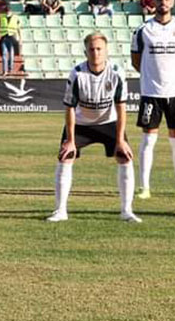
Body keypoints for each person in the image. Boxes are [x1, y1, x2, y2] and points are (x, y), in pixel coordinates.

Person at [47, 32, 141, 223]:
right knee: (65, 156)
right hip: (81, 124)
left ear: (106, 51)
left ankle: (126, 210)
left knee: (125, 156)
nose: (95, 53)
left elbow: (121, 107)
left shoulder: (116, 72)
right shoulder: (77, 74)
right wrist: (71, 141)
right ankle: (60, 210)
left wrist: (121, 139)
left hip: (109, 123)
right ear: (85, 52)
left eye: (99, 49)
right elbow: (70, 108)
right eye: (91, 49)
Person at [131, 0, 175, 201]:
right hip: (152, 93)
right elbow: (136, 61)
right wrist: (152, 77)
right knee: (148, 140)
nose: (163, 2)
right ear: (153, 1)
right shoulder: (143, 30)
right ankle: (145, 187)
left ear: (173, 1)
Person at [0, 7, 21, 76]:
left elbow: (18, 28)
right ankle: (5, 70)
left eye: (8, 11)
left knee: (11, 54)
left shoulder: (15, 18)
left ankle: (10, 69)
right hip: (4, 37)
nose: (7, 12)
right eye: (6, 11)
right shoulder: (1, 17)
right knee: (4, 54)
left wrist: (20, 38)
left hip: (12, 37)